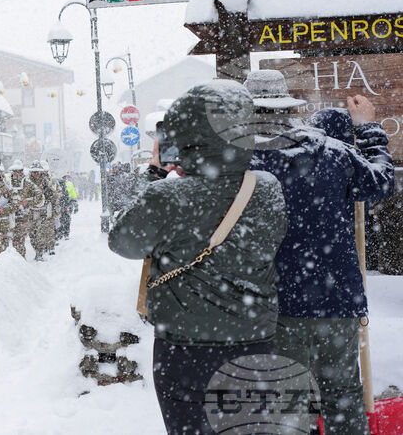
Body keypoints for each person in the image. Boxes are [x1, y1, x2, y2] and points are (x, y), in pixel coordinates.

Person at [108, 81, 288, 433]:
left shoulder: (167, 198)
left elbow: (122, 241)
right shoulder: (266, 188)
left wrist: (155, 174)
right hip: (254, 341)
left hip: (185, 350)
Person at [246, 70, 394, 433]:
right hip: (336, 300)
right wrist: (369, 129)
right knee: (343, 395)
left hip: (272, 304)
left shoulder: (237, 163)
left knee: (288, 404)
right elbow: (380, 182)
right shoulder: (333, 152)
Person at [9, 160, 44, 259]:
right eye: (14, 171)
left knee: (19, 239)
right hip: (10, 216)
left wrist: (28, 202)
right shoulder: (8, 183)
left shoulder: (28, 183)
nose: (16, 173)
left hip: (24, 216)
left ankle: (21, 260)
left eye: (18, 171)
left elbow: (39, 196)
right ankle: (14, 261)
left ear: (21, 171)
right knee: (11, 240)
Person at [27, 161, 57, 259]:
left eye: (38, 172)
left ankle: (39, 253)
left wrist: (48, 203)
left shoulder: (45, 181)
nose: (36, 174)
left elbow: (53, 195)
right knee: (32, 234)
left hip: (43, 211)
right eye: (34, 172)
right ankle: (37, 249)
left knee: (41, 232)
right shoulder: (27, 182)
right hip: (31, 211)